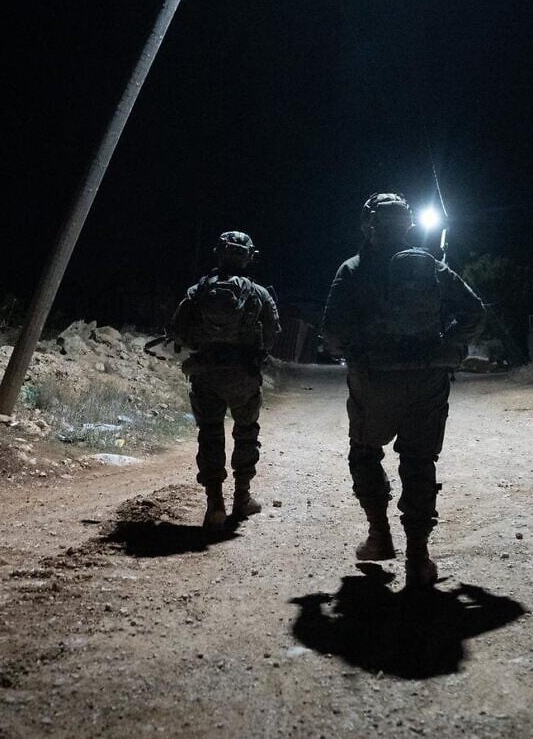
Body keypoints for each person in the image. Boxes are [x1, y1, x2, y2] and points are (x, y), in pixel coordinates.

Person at [321, 193, 485, 587]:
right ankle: (418, 558)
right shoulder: (433, 268)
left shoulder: (353, 269)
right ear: (408, 225)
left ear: (368, 224)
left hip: (374, 380)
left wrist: (354, 353)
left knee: (364, 452)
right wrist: (450, 346)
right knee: (419, 460)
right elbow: (475, 312)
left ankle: (379, 537)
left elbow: (331, 331)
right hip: (427, 378)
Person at [170, 231, 281, 532]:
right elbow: (272, 336)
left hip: (205, 373)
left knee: (210, 434)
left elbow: (178, 331)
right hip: (243, 375)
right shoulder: (260, 293)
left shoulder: (199, 290)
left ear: (219, 253)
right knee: (246, 433)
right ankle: (242, 499)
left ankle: (214, 504)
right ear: (248, 256)